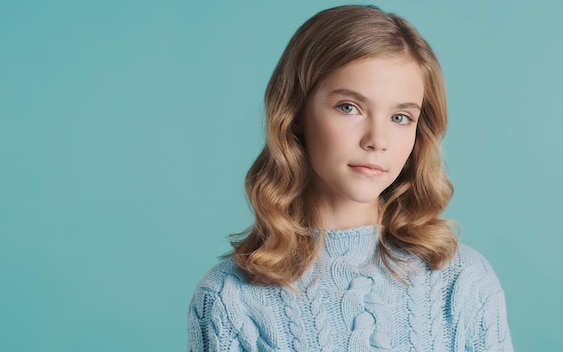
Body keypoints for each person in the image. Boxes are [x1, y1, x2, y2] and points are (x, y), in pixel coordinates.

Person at [188, 5, 513, 351]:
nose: (377, 140)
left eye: (401, 117)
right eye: (349, 107)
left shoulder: (464, 282)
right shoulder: (229, 298)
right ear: (295, 114)